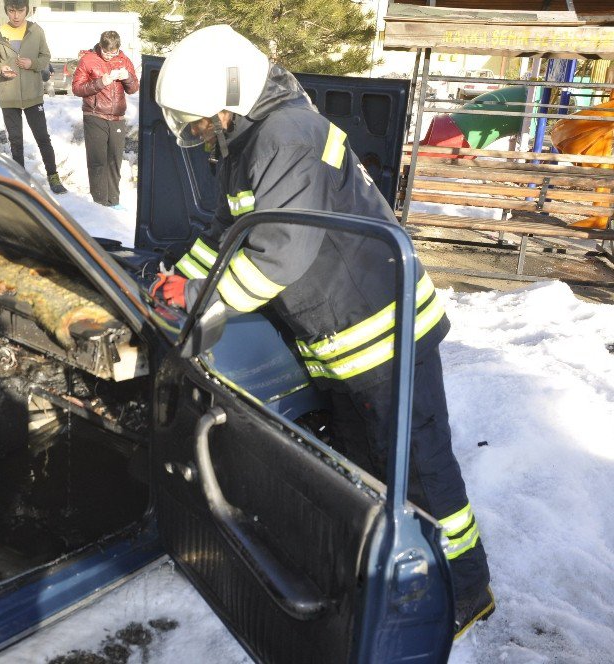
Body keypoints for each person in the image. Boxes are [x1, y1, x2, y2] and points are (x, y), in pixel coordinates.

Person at [151, 25, 494, 640]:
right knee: (364, 468)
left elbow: (277, 252)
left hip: (384, 333)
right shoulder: (252, 137)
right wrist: (182, 280)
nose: (198, 131)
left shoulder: (284, 135)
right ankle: (388, 572)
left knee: (420, 467)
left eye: (200, 119)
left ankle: (466, 591)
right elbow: (235, 230)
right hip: (342, 336)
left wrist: (207, 306)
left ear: (230, 95)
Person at [0, 0, 66, 194]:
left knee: (42, 137)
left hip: (33, 94)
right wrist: (0, 68)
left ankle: (53, 176)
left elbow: (45, 57)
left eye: (20, 11)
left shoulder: (36, 31)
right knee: (15, 139)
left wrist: (32, 63)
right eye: (11, 11)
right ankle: (20, 180)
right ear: (6, 10)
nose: (16, 15)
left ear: (27, 11)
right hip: (9, 93)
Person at [71, 31, 138, 210]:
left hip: (117, 117)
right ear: (100, 47)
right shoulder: (88, 60)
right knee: (97, 161)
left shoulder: (123, 60)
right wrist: (101, 82)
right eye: (107, 53)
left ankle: (114, 201)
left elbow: (133, 89)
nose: (110, 56)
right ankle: (99, 203)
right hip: (95, 115)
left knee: (114, 160)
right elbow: (77, 88)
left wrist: (128, 77)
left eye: (114, 53)